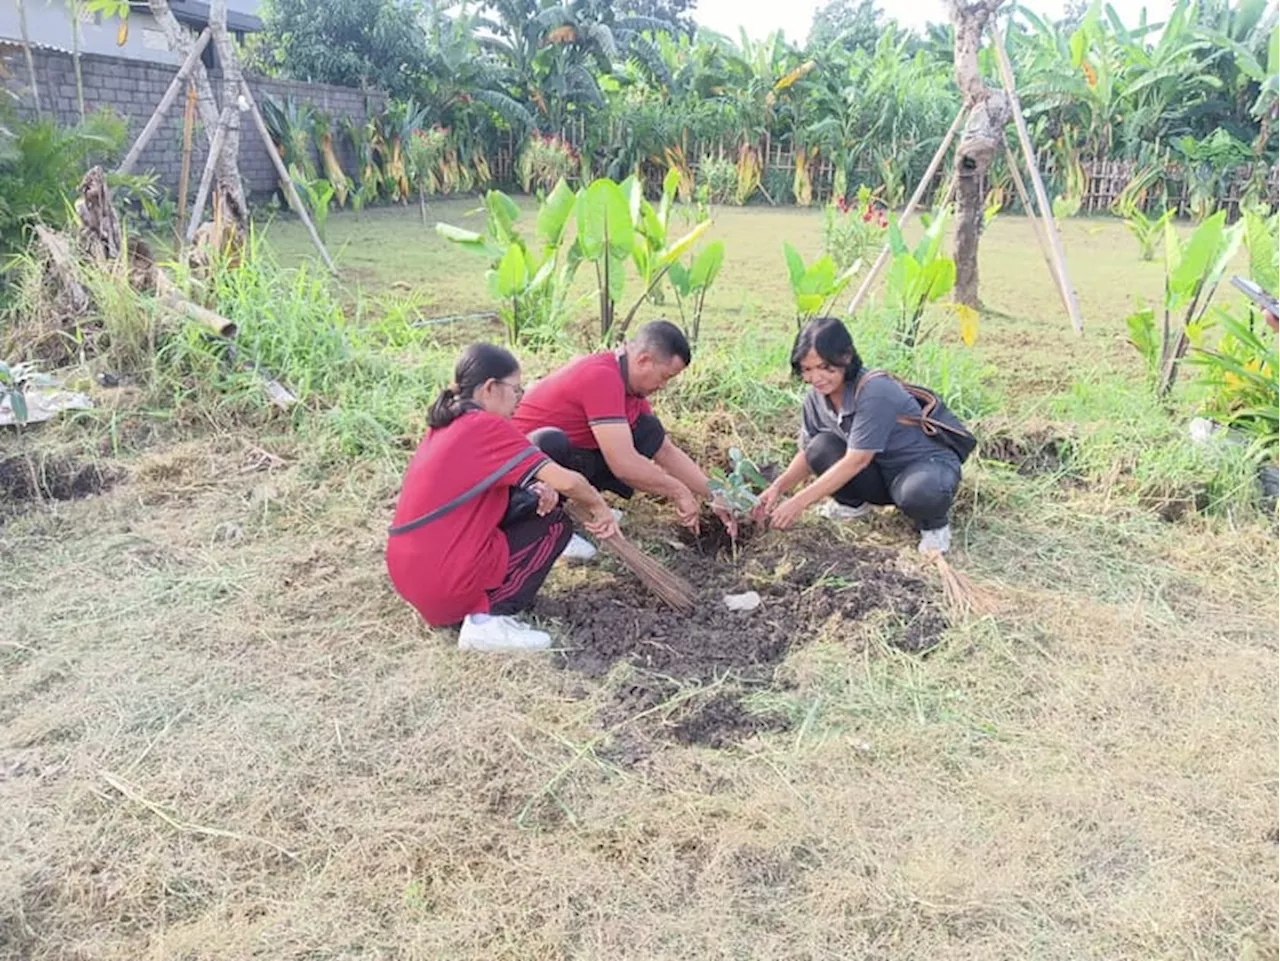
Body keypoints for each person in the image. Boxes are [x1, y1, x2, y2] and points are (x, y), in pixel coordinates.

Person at [386, 343, 619, 653]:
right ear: (490, 388)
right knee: (555, 526)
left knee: (537, 502)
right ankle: (488, 620)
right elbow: (568, 481)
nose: (518, 401)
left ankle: (477, 604)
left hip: (412, 576)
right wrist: (599, 507)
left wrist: (537, 486)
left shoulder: (449, 424)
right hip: (443, 583)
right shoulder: (485, 426)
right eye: (515, 391)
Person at [512, 320, 735, 556]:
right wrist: (678, 491)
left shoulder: (628, 385)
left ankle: (577, 504)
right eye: (665, 377)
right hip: (522, 470)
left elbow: (664, 450)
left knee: (648, 430)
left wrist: (715, 495)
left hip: (567, 458)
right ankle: (548, 526)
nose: (663, 386)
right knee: (550, 443)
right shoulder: (602, 377)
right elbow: (623, 464)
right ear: (643, 360)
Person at [756, 317, 967, 554]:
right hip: (879, 473)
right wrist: (777, 488)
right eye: (807, 369)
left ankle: (934, 526)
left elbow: (858, 460)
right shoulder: (815, 398)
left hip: (922, 468)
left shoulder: (874, 391)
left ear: (846, 357)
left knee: (920, 493)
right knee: (819, 447)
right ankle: (853, 505)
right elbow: (806, 454)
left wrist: (798, 502)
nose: (816, 378)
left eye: (825, 367)